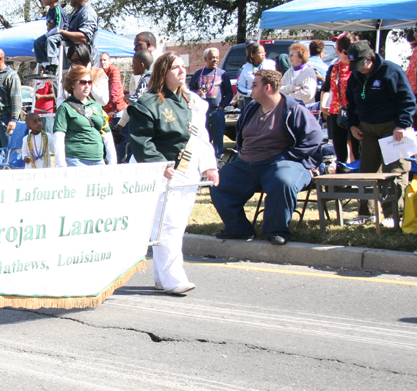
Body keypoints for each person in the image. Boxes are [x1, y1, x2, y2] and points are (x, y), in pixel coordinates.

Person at [128, 52, 219, 294]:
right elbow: (141, 140)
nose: (182, 71)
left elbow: (202, 137)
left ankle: (162, 277)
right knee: (167, 225)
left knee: (175, 226)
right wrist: (160, 163)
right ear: (162, 72)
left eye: (183, 67)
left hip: (188, 171)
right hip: (162, 172)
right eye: (175, 67)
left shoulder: (194, 102)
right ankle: (173, 279)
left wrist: (209, 165)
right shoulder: (147, 104)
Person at [210, 70, 322, 245]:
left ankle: (276, 230)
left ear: (268, 87)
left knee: (282, 182)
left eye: (255, 85)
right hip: (246, 163)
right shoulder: (251, 108)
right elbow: (241, 136)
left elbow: (313, 139)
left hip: (283, 162)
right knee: (218, 183)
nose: (250, 89)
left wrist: (287, 157)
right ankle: (238, 229)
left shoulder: (293, 109)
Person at [344, 40, 417, 227]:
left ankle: (394, 215)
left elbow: (408, 100)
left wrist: (402, 124)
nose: (359, 69)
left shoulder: (391, 71)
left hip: (392, 130)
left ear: (370, 58)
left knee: (394, 172)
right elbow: (350, 104)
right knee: (367, 172)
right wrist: (352, 125)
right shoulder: (355, 76)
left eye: (361, 65)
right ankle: (366, 213)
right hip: (366, 129)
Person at [53, 65, 116, 167]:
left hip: (99, 161)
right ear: (73, 84)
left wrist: (112, 162)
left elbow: (107, 135)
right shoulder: (64, 108)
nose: (87, 85)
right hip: (75, 161)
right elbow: (58, 137)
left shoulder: (97, 106)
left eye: (90, 82)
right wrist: (61, 165)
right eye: (83, 82)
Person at [320, 33, 359, 164]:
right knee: (340, 152)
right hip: (336, 112)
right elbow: (325, 88)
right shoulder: (334, 67)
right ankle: (341, 181)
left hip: (355, 112)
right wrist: (323, 105)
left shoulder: (359, 68)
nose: (345, 55)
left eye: (348, 52)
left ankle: (358, 177)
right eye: (343, 51)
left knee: (357, 149)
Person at [189, 48, 233, 158]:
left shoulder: (223, 74)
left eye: (217, 58)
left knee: (218, 138)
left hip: (217, 111)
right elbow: (190, 91)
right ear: (205, 59)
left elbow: (229, 93)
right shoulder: (199, 74)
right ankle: (204, 160)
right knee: (203, 138)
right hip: (201, 112)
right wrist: (196, 92)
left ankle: (218, 160)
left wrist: (222, 107)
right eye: (212, 57)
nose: (215, 60)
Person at [59, 0, 99, 67]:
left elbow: (83, 37)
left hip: (86, 65)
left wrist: (61, 32)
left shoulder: (87, 13)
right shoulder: (76, 14)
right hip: (76, 63)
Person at [34, 0, 69, 75]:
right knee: (38, 42)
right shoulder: (50, 10)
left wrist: (47, 35)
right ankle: (46, 65)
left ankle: (54, 64)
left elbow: (58, 28)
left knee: (50, 40)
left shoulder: (58, 10)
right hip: (51, 33)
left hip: (61, 34)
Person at [236, 43, 276, 108]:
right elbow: (240, 87)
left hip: (267, 99)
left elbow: (275, 83)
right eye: (260, 53)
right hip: (251, 101)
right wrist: (250, 93)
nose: (264, 54)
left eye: (264, 52)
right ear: (253, 54)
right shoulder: (245, 68)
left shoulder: (270, 65)